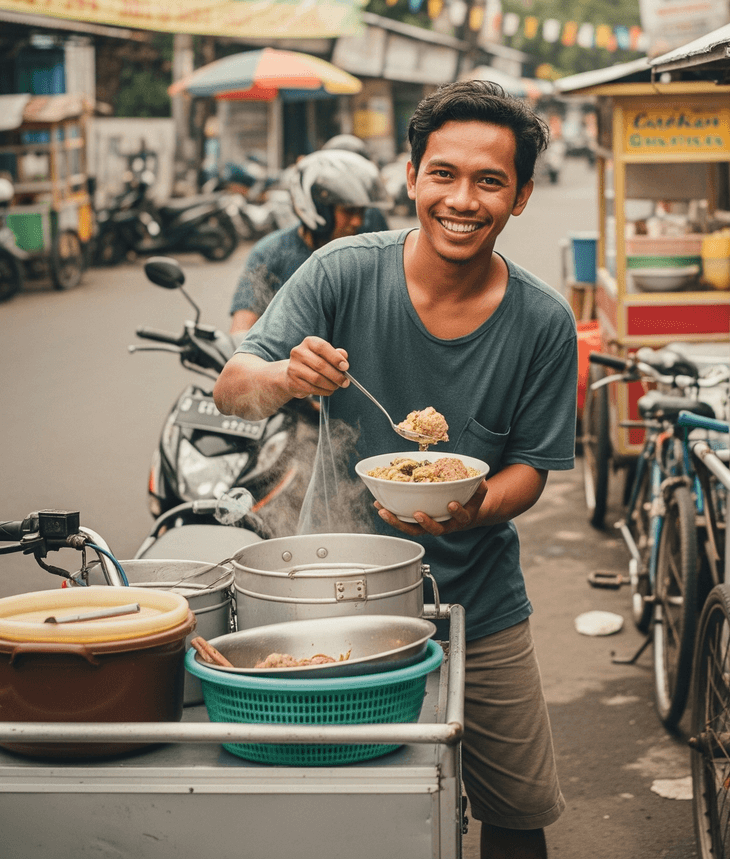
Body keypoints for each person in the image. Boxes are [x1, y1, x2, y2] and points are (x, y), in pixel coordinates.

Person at [214, 80, 577, 859]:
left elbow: (531, 472)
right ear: (410, 178)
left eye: (490, 181)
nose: (462, 199)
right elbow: (233, 390)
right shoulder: (342, 272)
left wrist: (471, 507)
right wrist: (284, 379)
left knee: (518, 813)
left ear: (520, 197)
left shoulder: (543, 323)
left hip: (480, 602)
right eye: (443, 174)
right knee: (343, 809)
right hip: (332, 593)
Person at [229, 146, 390, 335]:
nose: (358, 221)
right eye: (349, 211)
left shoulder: (369, 250)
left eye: (361, 211)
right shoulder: (270, 253)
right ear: (320, 209)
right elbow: (241, 331)